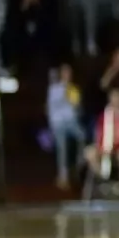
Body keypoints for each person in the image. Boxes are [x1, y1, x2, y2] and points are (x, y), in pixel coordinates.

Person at [87, 86, 119, 192]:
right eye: (113, 97)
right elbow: (100, 135)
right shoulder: (105, 116)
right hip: (106, 148)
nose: (116, 99)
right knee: (90, 152)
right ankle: (105, 180)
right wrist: (105, 147)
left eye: (118, 97)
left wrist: (116, 143)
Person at [46, 62, 85, 191]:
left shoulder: (74, 89)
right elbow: (50, 108)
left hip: (72, 122)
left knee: (83, 136)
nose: (68, 75)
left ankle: (79, 168)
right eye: (65, 72)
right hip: (58, 123)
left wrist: (77, 106)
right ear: (61, 74)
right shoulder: (54, 89)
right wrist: (51, 126)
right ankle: (63, 177)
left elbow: (78, 111)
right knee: (62, 146)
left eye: (70, 73)